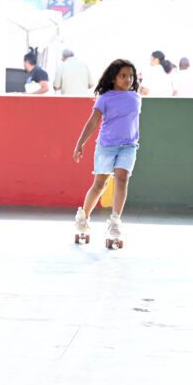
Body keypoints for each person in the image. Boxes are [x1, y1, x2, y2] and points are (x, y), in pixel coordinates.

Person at [72, 59, 141, 248]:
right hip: (107, 146)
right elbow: (93, 122)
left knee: (122, 178)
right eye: (123, 76)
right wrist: (80, 143)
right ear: (113, 78)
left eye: (130, 76)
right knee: (100, 185)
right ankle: (83, 217)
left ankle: (115, 222)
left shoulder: (135, 97)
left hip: (128, 146)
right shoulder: (105, 98)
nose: (128, 79)